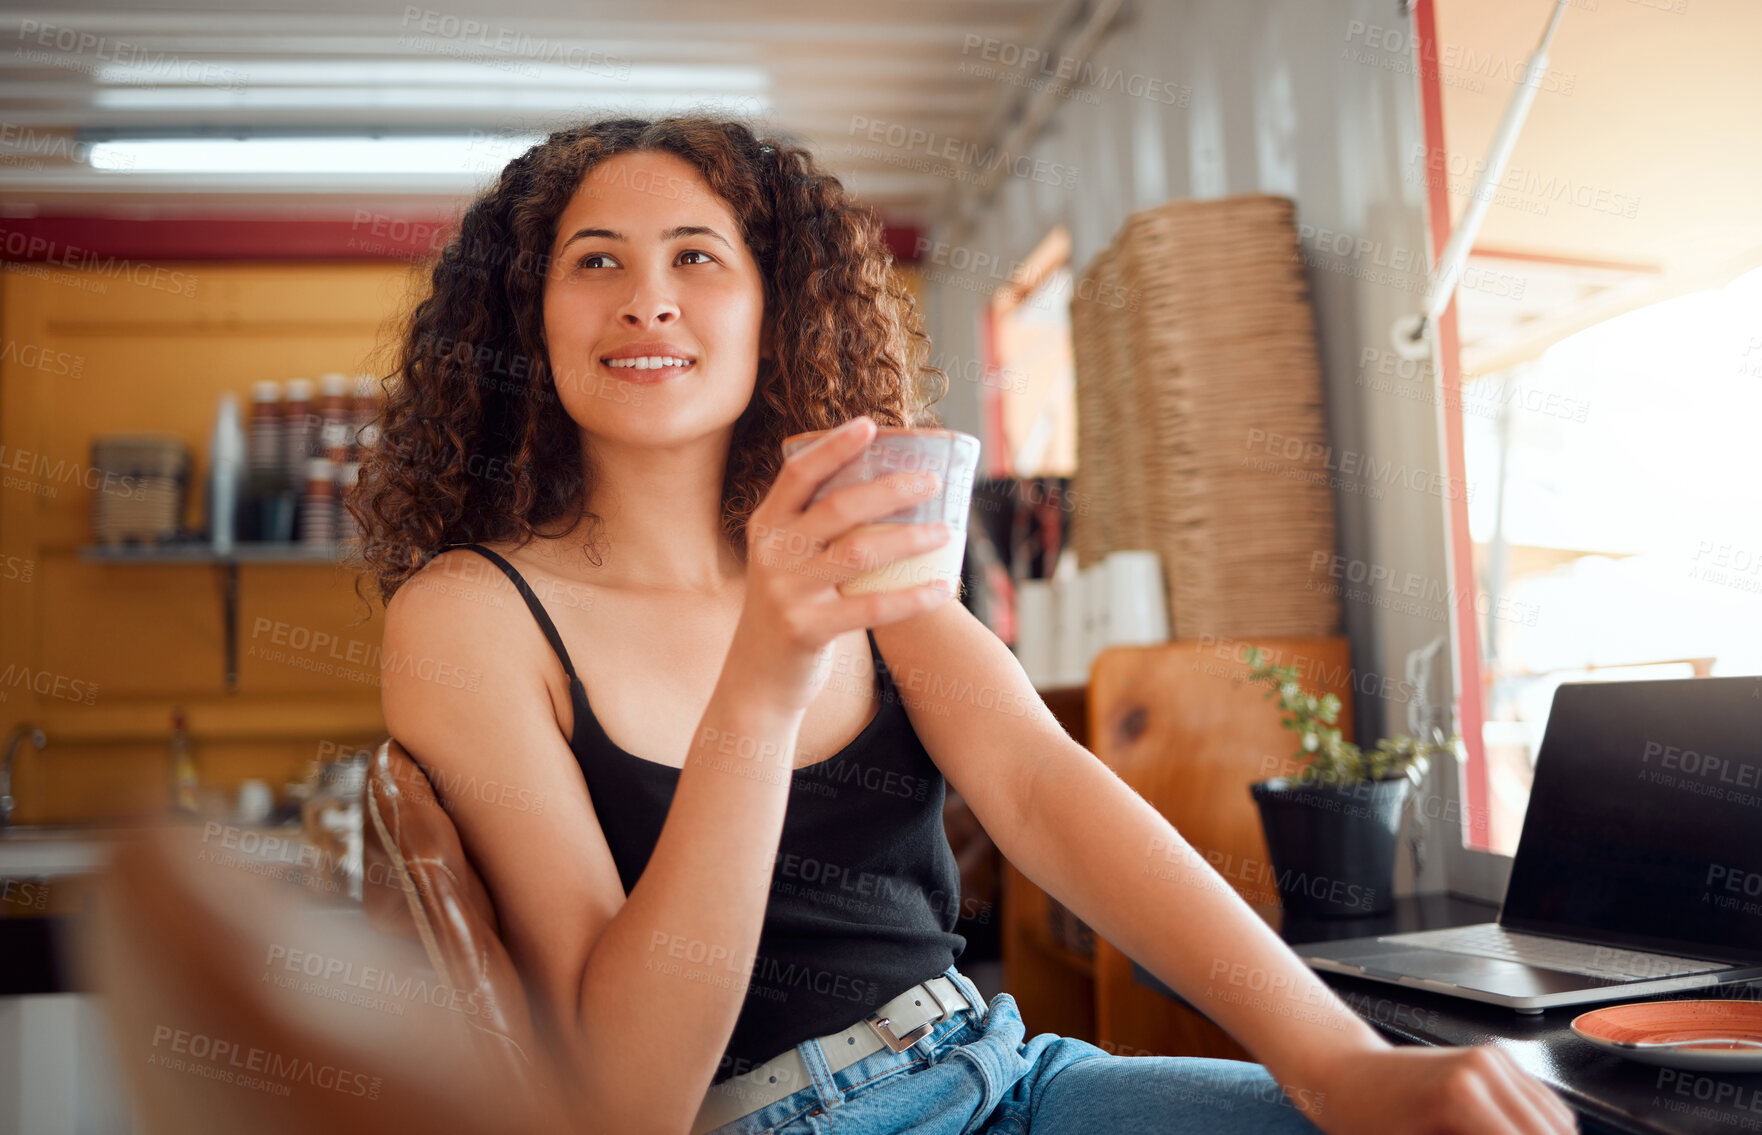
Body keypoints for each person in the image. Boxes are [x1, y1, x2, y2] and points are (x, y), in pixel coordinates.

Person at [351, 115, 1577, 1135]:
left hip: (1007, 1072)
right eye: (596, 262)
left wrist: (1340, 1062)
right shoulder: (469, 619)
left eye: (697, 257)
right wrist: (767, 673)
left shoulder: (854, 540)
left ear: (772, 307)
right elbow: (627, 1100)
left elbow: (1043, 790)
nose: (649, 303)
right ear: (528, 319)